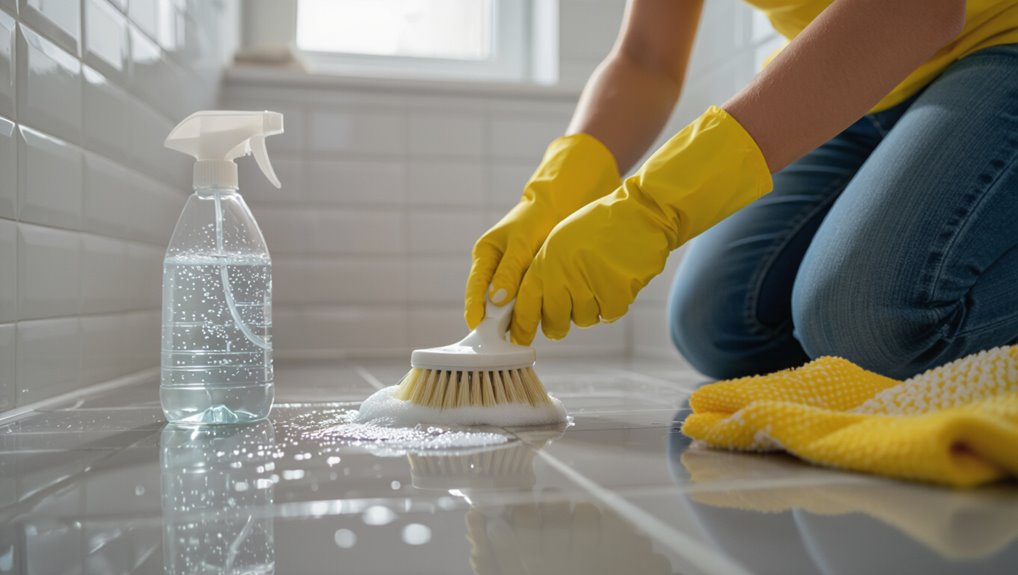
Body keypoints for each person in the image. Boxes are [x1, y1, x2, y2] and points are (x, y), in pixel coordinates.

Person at [464, 0, 1018, 380]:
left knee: (870, 321)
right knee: (719, 324)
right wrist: (556, 190)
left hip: (999, 46)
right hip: (867, 92)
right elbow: (646, 58)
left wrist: (655, 206)